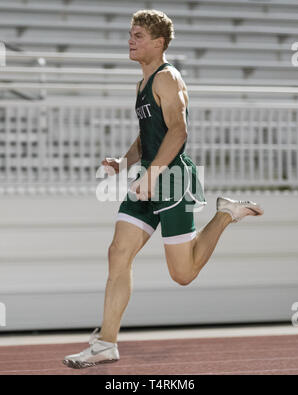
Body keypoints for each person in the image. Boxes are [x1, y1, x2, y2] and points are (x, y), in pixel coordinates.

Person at [63, 9, 263, 369]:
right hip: (149, 177)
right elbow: (147, 136)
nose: (130, 40)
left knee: (182, 275)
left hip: (171, 180)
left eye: (138, 35)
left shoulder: (167, 78)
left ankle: (224, 214)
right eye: (130, 33)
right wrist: (122, 164)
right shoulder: (142, 83)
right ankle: (106, 343)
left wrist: (153, 176)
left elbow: (179, 131)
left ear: (159, 43)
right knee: (117, 252)